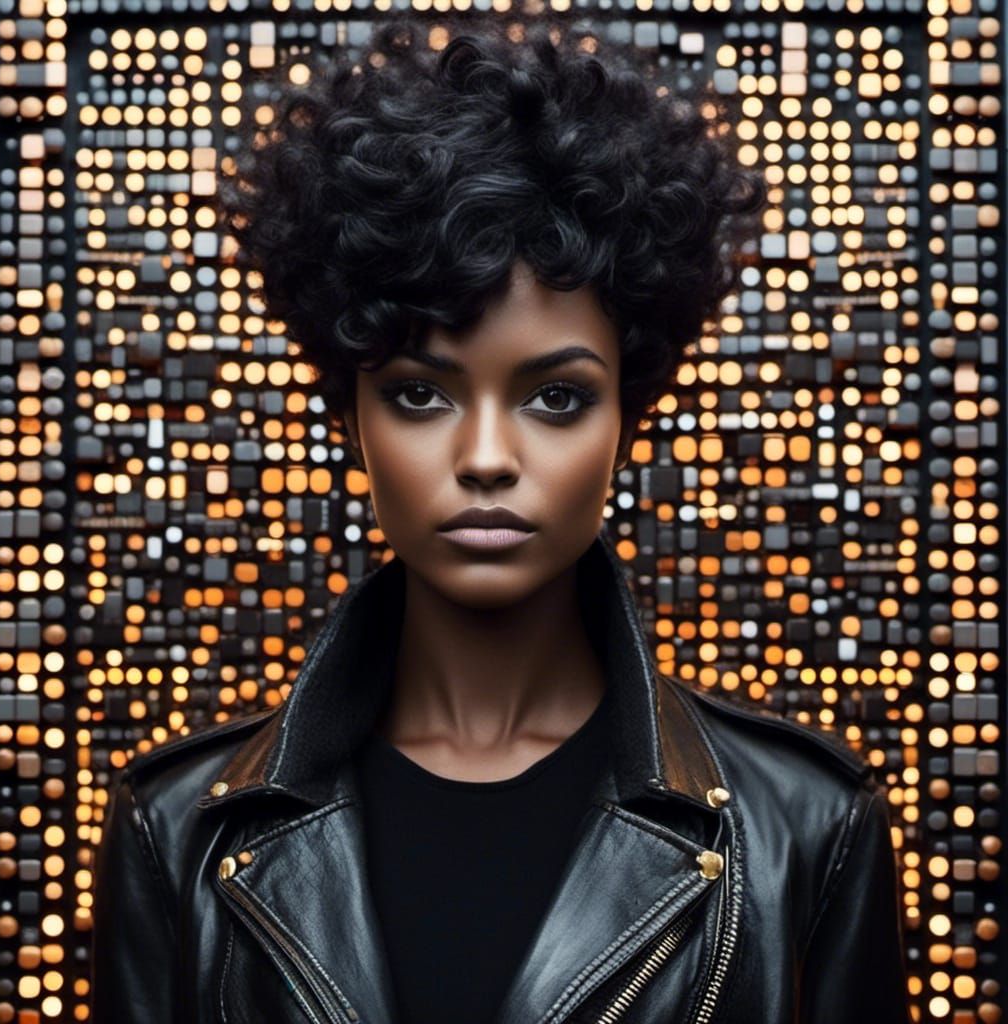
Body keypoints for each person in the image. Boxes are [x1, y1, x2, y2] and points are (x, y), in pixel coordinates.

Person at [89, 17, 911, 1024]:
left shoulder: (809, 828)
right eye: (421, 396)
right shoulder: (177, 834)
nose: (485, 458)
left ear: (626, 421)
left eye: (555, 399)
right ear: (351, 422)